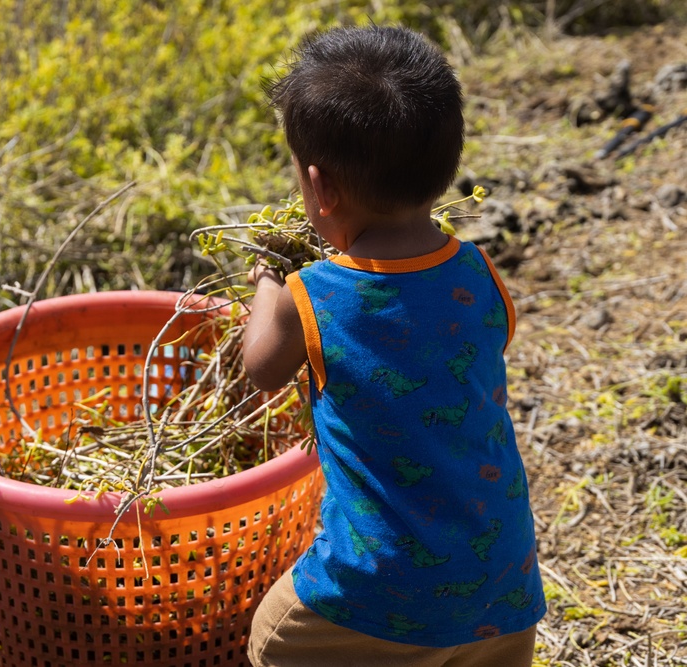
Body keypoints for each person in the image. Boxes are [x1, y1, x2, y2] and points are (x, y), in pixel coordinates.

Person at [242, 25, 545, 667]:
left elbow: (260, 368)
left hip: (381, 585)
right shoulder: (479, 273)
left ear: (320, 189)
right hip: (503, 579)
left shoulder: (314, 293)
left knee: (269, 642)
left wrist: (268, 281)